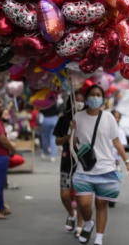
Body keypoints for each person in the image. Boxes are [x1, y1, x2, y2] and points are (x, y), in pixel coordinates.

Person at [65, 85, 129, 245]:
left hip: (106, 168)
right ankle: (88, 223)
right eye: (92, 94)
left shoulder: (109, 117)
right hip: (84, 169)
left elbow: (116, 141)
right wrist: (72, 131)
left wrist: (127, 162)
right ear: (87, 98)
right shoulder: (78, 117)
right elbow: (74, 143)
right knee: (84, 204)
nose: (95, 97)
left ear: (103, 99)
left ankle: (99, 238)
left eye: (98, 94)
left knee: (101, 203)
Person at [55, 91, 85, 237]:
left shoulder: (88, 120)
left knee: (80, 195)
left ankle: (79, 226)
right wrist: (69, 134)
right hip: (67, 161)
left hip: (83, 162)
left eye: (81, 100)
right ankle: (72, 214)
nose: (79, 103)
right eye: (76, 100)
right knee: (64, 194)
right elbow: (57, 141)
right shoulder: (63, 120)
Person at [109, 110, 127, 208]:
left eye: (117, 117)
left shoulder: (120, 132)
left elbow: (122, 146)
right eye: (114, 117)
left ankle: (112, 197)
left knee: (116, 179)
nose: (116, 119)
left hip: (115, 161)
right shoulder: (104, 130)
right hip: (105, 160)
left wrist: (119, 151)